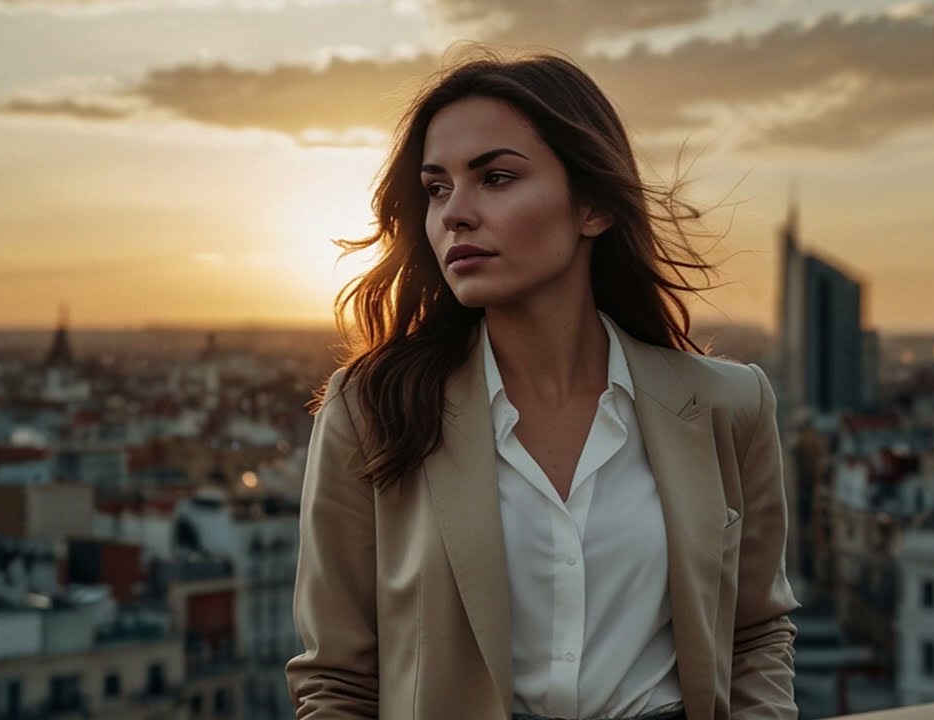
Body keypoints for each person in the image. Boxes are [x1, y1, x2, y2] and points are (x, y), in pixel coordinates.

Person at [286, 49, 800, 720]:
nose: (454, 214)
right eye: (437, 187)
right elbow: (336, 681)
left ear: (592, 206)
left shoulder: (726, 406)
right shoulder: (374, 409)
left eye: (495, 178)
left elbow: (757, 632)